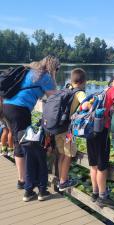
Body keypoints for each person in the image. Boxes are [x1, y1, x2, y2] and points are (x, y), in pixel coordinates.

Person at [2, 56, 60, 201]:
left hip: (7, 107)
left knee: (18, 142)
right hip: (20, 109)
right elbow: (54, 98)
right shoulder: (45, 76)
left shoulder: (31, 70)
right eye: (57, 69)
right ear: (52, 67)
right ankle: (26, 183)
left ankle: (22, 180)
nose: (57, 72)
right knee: (24, 144)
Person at [86, 75, 114, 208]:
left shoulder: (103, 90)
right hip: (101, 132)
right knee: (102, 166)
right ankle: (103, 196)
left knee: (93, 164)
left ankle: (95, 192)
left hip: (91, 130)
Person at [55, 68, 87, 191]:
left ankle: (60, 179)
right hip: (68, 130)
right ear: (83, 81)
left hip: (57, 127)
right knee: (68, 155)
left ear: (72, 79)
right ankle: (63, 181)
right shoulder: (80, 93)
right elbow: (85, 105)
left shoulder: (65, 89)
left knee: (61, 154)